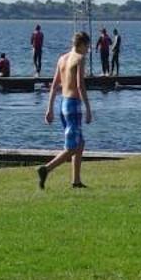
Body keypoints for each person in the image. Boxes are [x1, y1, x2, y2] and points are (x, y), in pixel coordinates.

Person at [37, 31, 93, 189]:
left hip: (63, 104)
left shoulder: (62, 58)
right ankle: (46, 169)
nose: (88, 50)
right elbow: (80, 86)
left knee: (80, 143)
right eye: (87, 46)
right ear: (82, 44)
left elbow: (54, 85)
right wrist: (88, 108)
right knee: (72, 147)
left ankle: (76, 180)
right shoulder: (79, 59)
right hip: (73, 104)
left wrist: (49, 108)